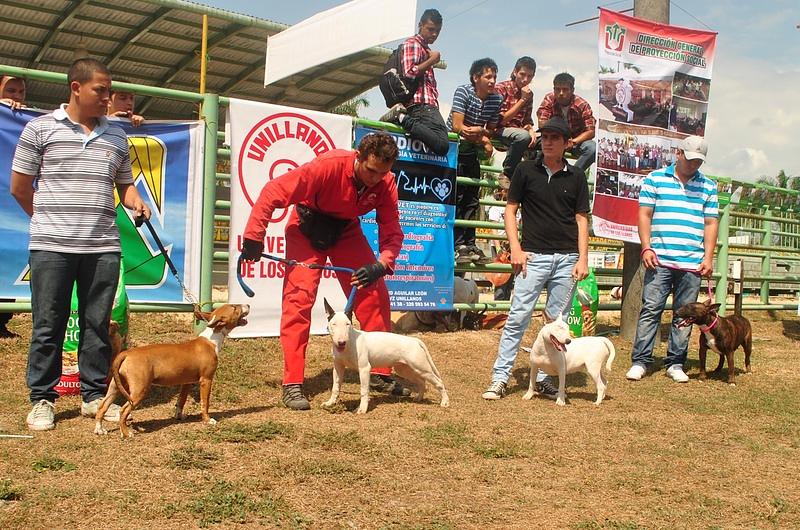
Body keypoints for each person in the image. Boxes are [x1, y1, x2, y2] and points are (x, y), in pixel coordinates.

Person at [10, 58, 151, 431]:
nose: (107, 98)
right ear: (76, 87)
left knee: (97, 324)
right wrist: (47, 222)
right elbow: (20, 188)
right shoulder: (39, 130)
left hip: (102, 246)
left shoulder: (118, 136)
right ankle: (42, 399)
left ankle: (93, 396)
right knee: (48, 324)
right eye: (99, 90)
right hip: (51, 247)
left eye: (109, 91)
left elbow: (125, 185)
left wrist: (135, 201)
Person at [240, 133, 412, 410]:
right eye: (370, 170)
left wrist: (382, 264)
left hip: (345, 230)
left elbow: (391, 228)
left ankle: (380, 373)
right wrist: (254, 236)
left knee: (375, 295)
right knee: (299, 299)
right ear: (358, 157)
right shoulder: (328, 166)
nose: (375, 179)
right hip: (305, 228)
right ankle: (293, 382)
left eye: (382, 173)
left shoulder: (385, 182)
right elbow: (274, 191)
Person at [481, 116, 590, 400]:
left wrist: (583, 259)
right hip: (533, 257)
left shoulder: (577, 176)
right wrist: (515, 248)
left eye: (556, 137)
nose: (549, 141)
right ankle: (501, 376)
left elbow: (581, 219)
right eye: (546, 136)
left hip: (567, 259)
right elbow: (510, 210)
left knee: (558, 322)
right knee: (517, 317)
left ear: (567, 143)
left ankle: (545, 377)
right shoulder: (525, 170)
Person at [626, 135, 718, 383]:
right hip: (660, 258)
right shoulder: (655, 179)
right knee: (650, 309)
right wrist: (646, 248)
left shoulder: (709, 186)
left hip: (691, 262)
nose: (693, 164)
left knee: (685, 314)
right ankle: (640, 360)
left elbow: (711, 223)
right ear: (678, 154)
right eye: (689, 159)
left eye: (698, 161)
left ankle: (676, 362)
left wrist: (708, 257)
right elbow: (644, 215)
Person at [447, 57, 503, 266]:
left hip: (471, 152)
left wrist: (482, 134)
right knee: (459, 196)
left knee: (472, 198)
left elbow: (490, 127)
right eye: (488, 76)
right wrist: (484, 138)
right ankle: (458, 245)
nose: (492, 81)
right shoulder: (463, 91)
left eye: (494, 77)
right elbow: (457, 127)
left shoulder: (496, 100)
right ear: (475, 77)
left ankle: (470, 244)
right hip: (454, 150)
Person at [379, 8, 449, 156]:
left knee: (435, 146)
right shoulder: (414, 44)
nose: (434, 34)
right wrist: (432, 60)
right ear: (420, 25)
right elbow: (409, 73)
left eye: (437, 31)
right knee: (442, 145)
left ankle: (403, 118)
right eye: (430, 29)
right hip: (421, 105)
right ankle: (401, 118)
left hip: (424, 107)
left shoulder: (424, 48)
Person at [0, 75, 28, 338]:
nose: (17, 95)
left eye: (21, 91)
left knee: (13, 260)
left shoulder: (28, 121)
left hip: (15, 209)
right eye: (11, 90)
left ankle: (1, 321)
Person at [536, 72, 596, 173]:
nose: (561, 93)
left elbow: (591, 131)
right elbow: (542, 124)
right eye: (557, 89)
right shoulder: (549, 99)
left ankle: (571, 176)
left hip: (575, 141)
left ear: (572, 90)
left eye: (565, 89)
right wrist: (558, 139)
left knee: (592, 148)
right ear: (554, 89)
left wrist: (573, 142)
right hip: (553, 137)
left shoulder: (582, 105)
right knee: (528, 139)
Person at [493, 56, 537, 181]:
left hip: (520, 132)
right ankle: (507, 174)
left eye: (529, 76)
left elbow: (527, 120)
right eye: (522, 74)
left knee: (547, 139)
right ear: (514, 72)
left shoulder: (530, 94)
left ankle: (534, 180)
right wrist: (522, 100)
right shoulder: (501, 88)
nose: (525, 79)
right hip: (500, 130)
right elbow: (499, 121)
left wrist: (531, 130)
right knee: (523, 136)